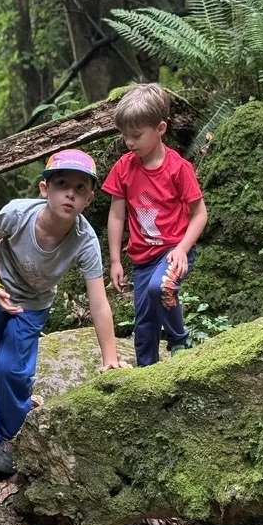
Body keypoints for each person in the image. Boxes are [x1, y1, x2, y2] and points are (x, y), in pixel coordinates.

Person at [0, 149, 128, 490]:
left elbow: (98, 301)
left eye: (80, 188)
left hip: (32, 305)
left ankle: (8, 441)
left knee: (13, 371)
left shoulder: (85, 241)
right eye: (62, 184)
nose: (70, 193)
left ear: (89, 198)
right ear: (44, 189)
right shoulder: (17, 214)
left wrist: (110, 358)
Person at [103, 83, 208, 367]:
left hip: (175, 249)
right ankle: (146, 367)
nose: (129, 142)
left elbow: (199, 214)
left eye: (136, 135)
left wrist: (183, 249)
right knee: (145, 318)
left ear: (160, 129)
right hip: (143, 258)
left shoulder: (178, 168)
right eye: (125, 136)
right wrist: (115, 260)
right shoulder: (124, 168)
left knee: (160, 287)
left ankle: (179, 342)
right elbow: (116, 215)